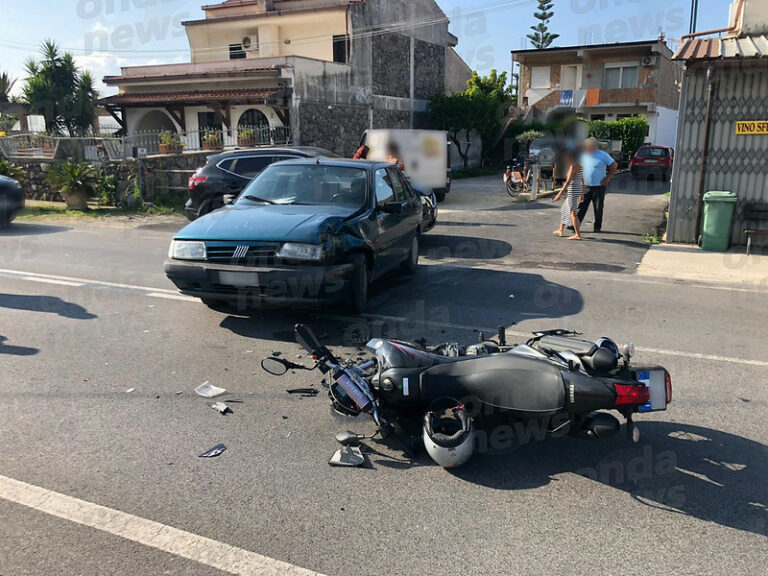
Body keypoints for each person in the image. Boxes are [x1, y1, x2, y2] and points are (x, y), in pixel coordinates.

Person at [575, 137, 618, 233]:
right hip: (586, 186)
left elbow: (614, 165)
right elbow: (579, 168)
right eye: (586, 147)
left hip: (599, 186)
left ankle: (597, 227)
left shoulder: (603, 155)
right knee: (581, 207)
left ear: (594, 147)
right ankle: (576, 225)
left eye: (589, 147)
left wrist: (608, 177)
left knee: (598, 208)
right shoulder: (584, 155)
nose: (587, 149)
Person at [553, 149, 583, 240]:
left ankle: (578, 234)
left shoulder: (573, 166)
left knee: (572, 212)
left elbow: (568, 181)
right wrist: (582, 192)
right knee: (564, 209)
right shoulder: (579, 165)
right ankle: (561, 230)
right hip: (576, 190)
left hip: (572, 191)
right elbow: (582, 179)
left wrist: (559, 194)